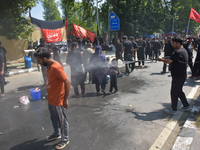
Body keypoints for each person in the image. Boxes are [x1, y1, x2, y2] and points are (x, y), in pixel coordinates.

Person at [34, 47, 71, 149]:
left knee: (62, 121)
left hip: (59, 100)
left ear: (45, 58)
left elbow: (67, 82)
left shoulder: (56, 67)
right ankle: (56, 133)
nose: (38, 63)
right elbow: (50, 81)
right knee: (54, 119)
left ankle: (65, 139)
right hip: (51, 99)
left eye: (39, 60)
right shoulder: (48, 67)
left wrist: (65, 99)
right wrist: (40, 88)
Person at [157, 36, 192, 115]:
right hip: (181, 75)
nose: (172, 44)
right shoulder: (183, 50)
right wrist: (163, 58)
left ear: (178, 43)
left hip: (178, 76)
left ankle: (174, 109)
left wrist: (161, 59)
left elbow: (169, 61)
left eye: (173, 43)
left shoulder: (178, 51)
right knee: (179, 91)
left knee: (174, 92)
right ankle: (186, 106)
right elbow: (173, 58)